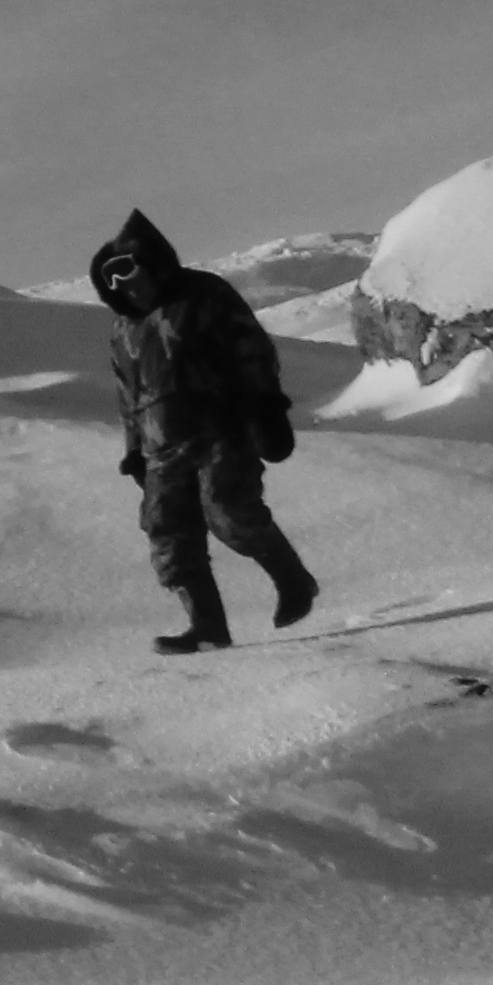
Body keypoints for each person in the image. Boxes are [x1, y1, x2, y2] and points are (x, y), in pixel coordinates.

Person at [89, 209, 316, 654]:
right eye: (112, 278)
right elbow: (127, 393)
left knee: (230, 514)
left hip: (220, 430)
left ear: (153, 263)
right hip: (161, 449)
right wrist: (134, 449)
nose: (124, 285)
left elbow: (251, 348)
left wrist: (266, 409)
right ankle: (207, 626)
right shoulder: (123, 329)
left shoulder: (204, 294)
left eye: (129, 271)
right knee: (168, 534)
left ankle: (291, 578)